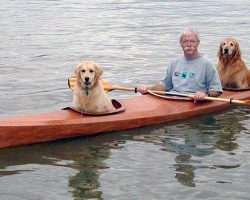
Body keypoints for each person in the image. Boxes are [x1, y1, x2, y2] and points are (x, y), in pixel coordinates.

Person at [137, 28, 223, 102]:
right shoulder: (175, 63)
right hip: (173, 99)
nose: (189, 44)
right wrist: (148, 89)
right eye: (185, 41)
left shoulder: (207, 64)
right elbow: (165, 85)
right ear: (181, 43)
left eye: (192, 41)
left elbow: (216, 90)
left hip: (193, 101)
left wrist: (206, 94)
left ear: (198, 43)